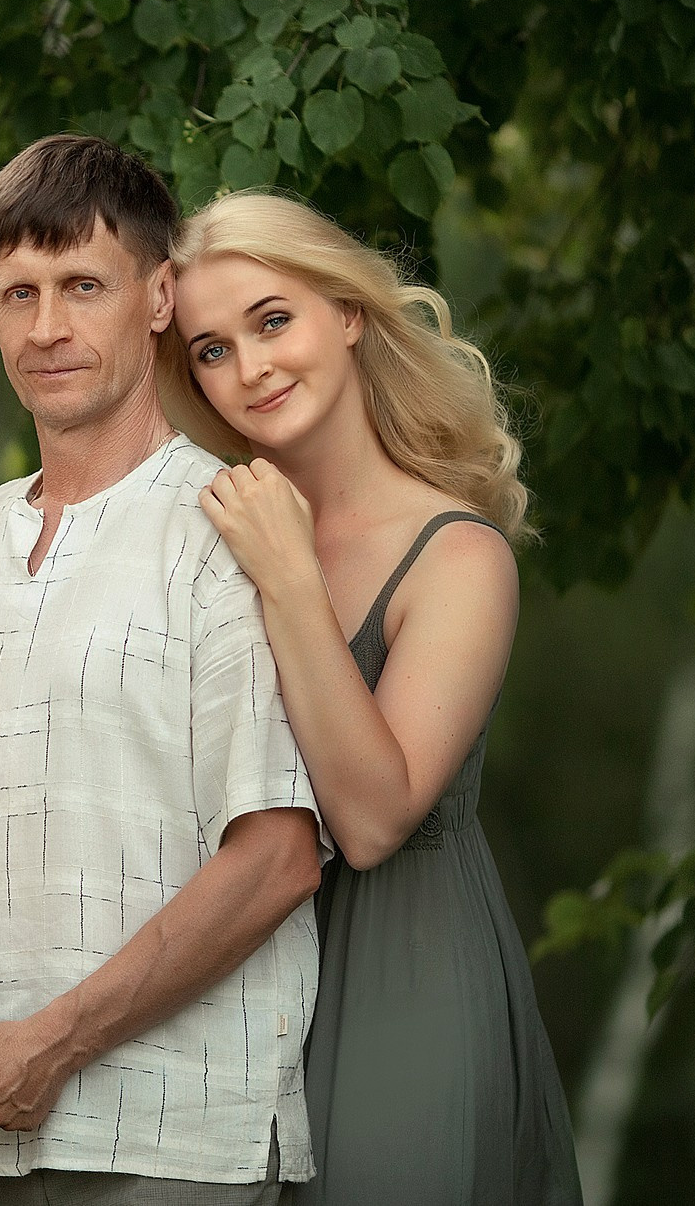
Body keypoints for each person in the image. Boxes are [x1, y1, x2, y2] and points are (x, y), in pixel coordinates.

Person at [0, 135, 330, 1204]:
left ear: (157, 295)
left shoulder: (227, 525)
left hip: (181, 1132)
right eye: (17, 293)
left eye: (82, 286)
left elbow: (277, 857)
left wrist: (48, 1044)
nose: (46, 328)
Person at [161, 190, 583, 1205]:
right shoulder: (202, 533)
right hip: (232, 986)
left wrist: (292, 580)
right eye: (211, 349)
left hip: (406, 983)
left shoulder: (457, 555)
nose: (249, 366)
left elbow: (372, 816)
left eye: (271, 320)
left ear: (346, 314)